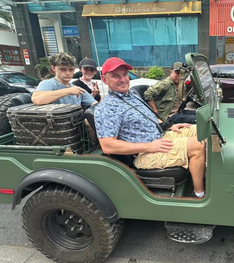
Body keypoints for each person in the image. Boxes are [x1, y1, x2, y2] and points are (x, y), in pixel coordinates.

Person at [94, 57, 206, 197]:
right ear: (104, 80)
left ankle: (207, 173)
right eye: (115, 76)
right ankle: (200, 195)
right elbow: (108, 145)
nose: (122, 79)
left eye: (124, 74)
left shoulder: (131, 96)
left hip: (159, 137)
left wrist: (169, 126)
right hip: (145, 153)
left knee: (204, 130)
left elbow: (148, 118)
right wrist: (149, 147)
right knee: (197, 145)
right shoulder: (106, 108)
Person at [32, 53, 97, 107]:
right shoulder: (48, 84)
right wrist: (68, 91)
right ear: (53, 68)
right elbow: (37, 99)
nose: (68, 73)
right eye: (63, 69)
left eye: (71, 69)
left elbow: (95, 105)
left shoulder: (77, 89)